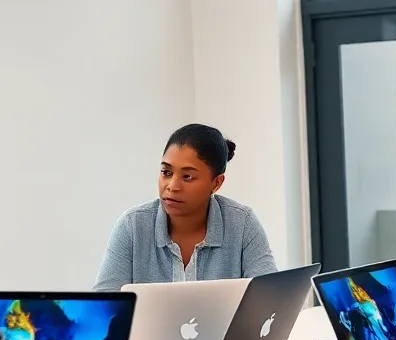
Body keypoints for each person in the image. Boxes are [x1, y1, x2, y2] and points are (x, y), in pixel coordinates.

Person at [95, 124, 276, 291]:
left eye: (187, 176)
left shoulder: (242, 224)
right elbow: (104, 307)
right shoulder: (132, 226)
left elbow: (270, 299)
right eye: (166, 172)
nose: (172, 186)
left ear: (216, 183)